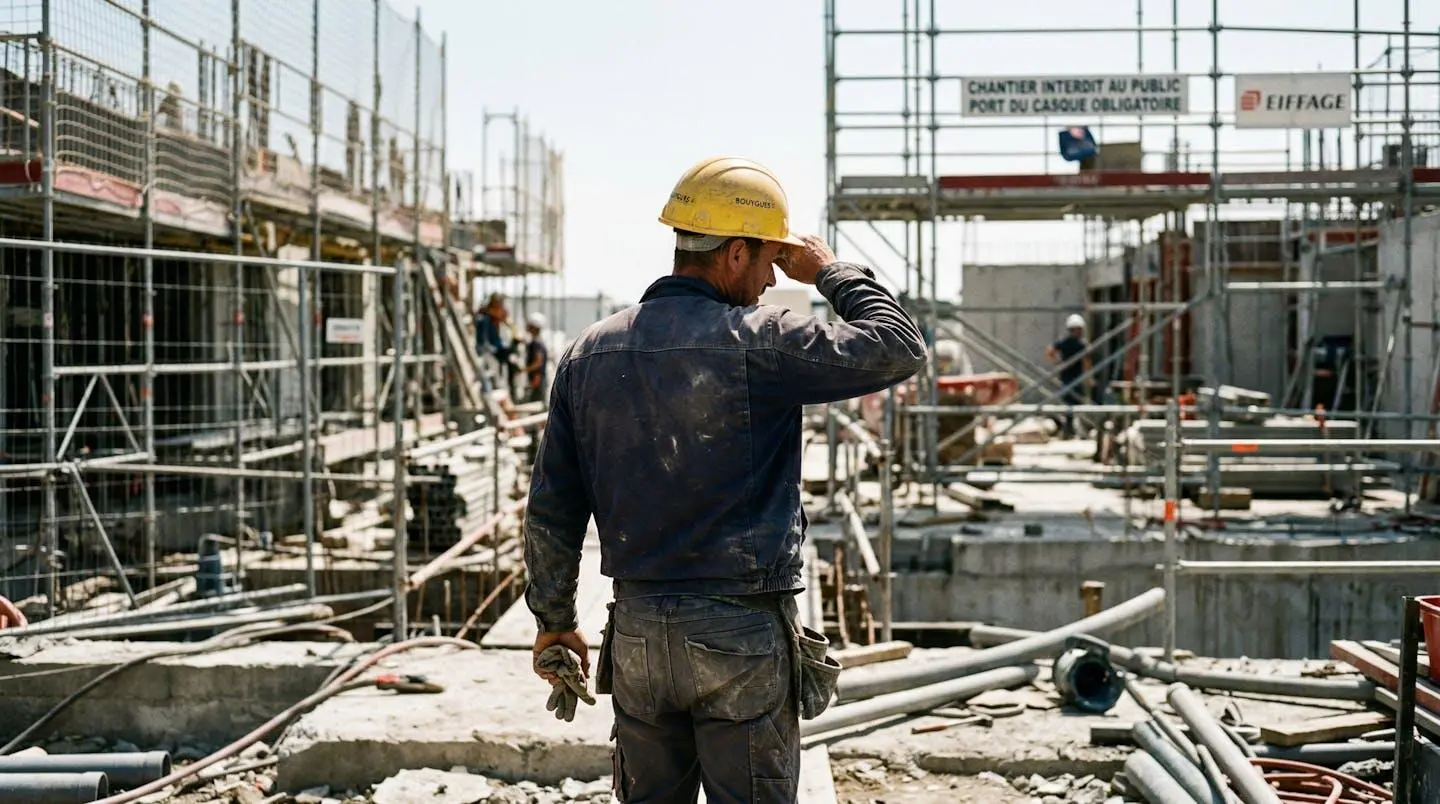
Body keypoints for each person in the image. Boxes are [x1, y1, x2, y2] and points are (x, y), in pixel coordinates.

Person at [523, 156, 926, 803]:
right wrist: (827, 271)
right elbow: (896, 345)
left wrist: (553, 618)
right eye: (769, 260)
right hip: (740, 633)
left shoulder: (589, 351)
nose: (772, 280)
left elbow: (552, 508)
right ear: (734, 252)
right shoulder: (760, 341)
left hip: (638, 634)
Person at [1045, 313, 1092, 439]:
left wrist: (1058, 363)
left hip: (1067, 377)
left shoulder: (1063, 342)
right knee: (1075, 404)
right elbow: (1087, 361)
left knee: (1069, 404)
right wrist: (1089, 378)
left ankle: (1069, 430)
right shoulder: (1081, 344)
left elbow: (1050, 351)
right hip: (1076, 377)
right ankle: (1072, 430)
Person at [476, 292, 515, 394]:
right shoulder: (485, 318)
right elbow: (483, 339)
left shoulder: (497, 316)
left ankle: (507, 389)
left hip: (496, 346)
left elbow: (506, 318)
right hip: (487, 349)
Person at [523, 311, 550, 404]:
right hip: (539, 379)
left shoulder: (536, 343)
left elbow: (538, 362)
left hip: (537, 380)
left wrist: (524, 370)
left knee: (536, 405)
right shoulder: (538, 342)